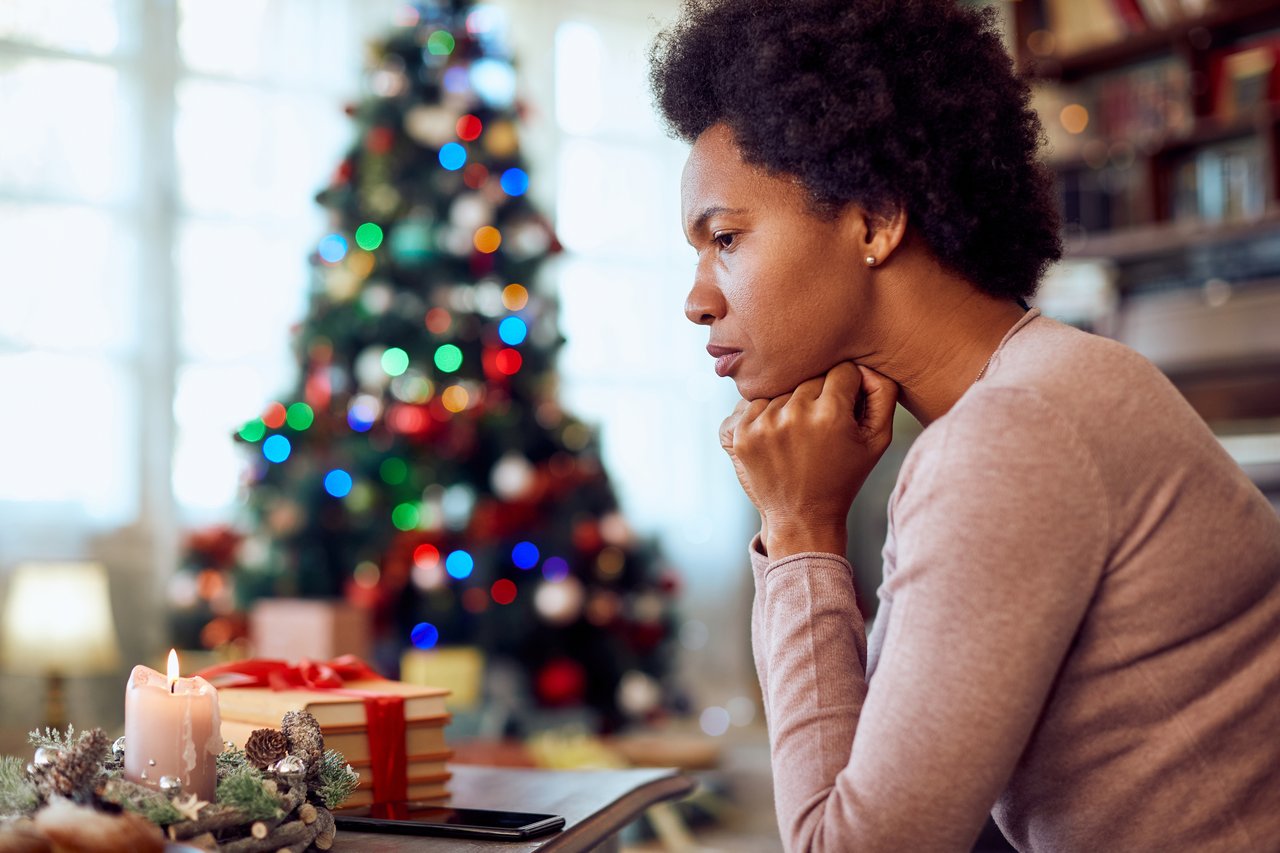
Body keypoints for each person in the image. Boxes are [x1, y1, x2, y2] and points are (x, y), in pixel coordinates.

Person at [648, 1, 1280, 850]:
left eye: (725, 237)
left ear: (873, 220)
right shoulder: (1040, 387)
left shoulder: (1014, 433)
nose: (697, 299)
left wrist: (799, 532)